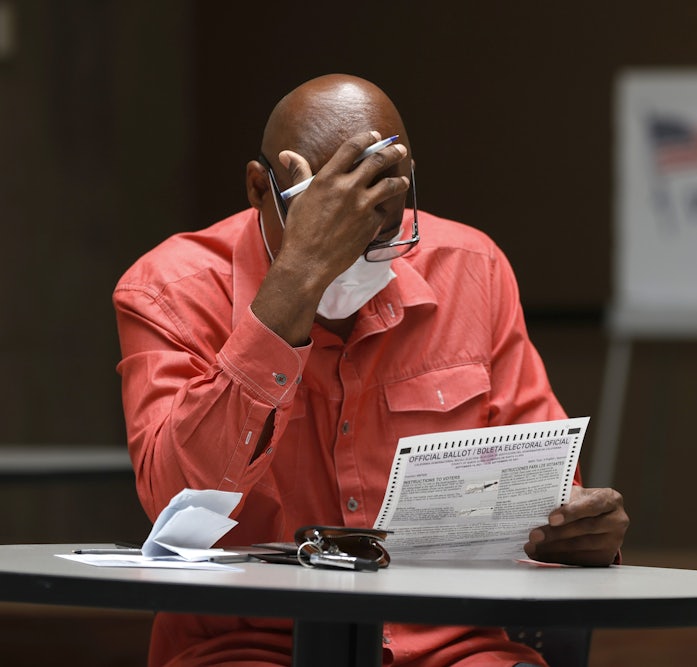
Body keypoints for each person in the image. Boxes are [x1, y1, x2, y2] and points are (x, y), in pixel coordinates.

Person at [113, 73, 629, 667]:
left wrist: (578, 532)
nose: (354, 255)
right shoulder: (169, 289)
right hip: (251, 644)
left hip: (449, 646)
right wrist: (293, 284)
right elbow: (173, 497)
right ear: (260, 189)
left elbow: (544, 494)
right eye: (329, 227)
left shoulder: (473, 269)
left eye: (380, 226)